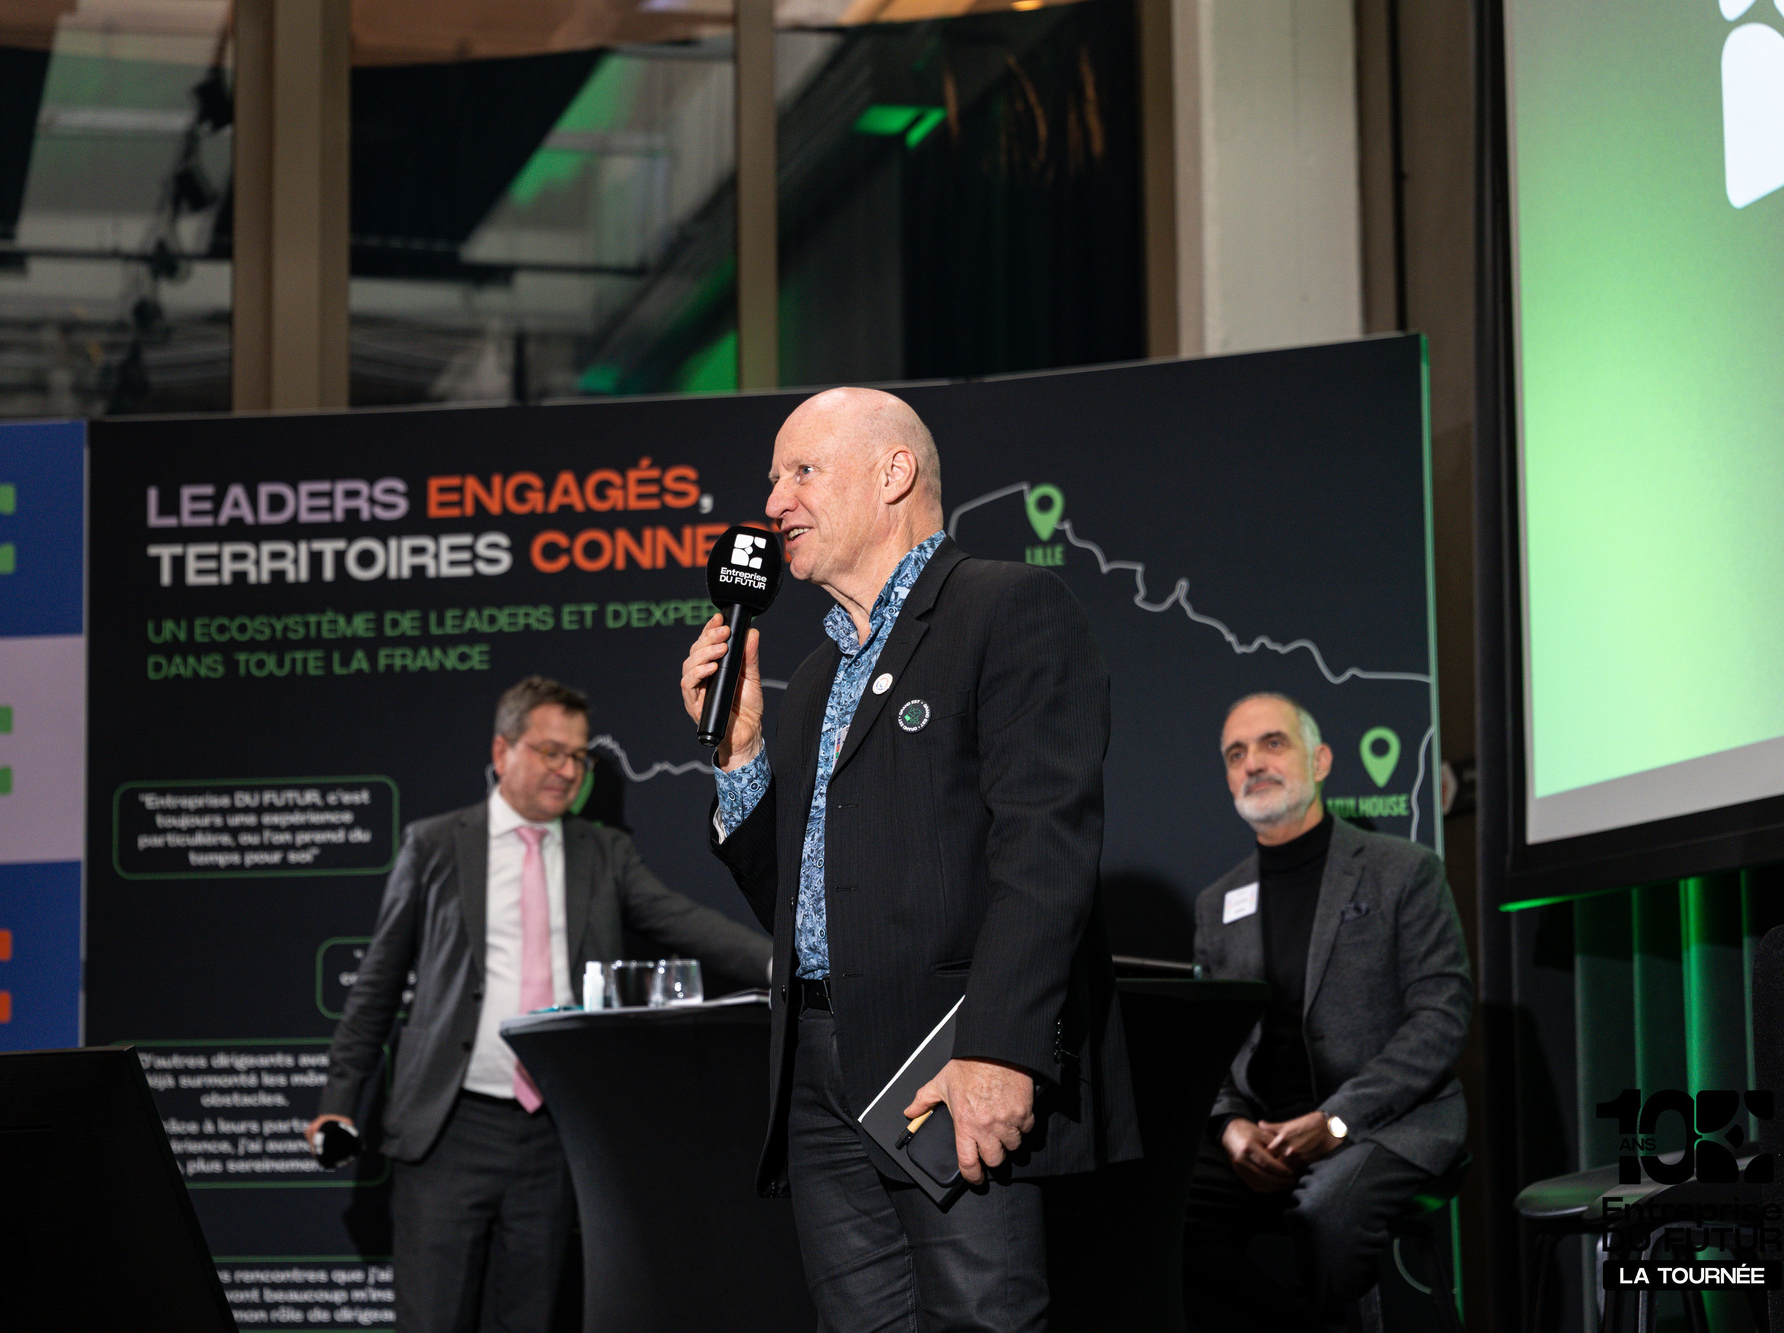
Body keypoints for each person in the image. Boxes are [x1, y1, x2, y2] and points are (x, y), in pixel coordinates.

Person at [678, 386, 1140, 1331]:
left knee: (981, 1318)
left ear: (894, 473)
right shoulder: (814, 679)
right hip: (818, 1062)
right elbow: (802, 901)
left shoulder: (1007, 607)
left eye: (802, 471)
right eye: (772, 477)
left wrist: (1000, 1049)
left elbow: (1045, 851)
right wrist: (741, 756)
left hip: (949, 1061)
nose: (773, 502)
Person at [308, 676, 771, 1333]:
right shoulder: (435, 845)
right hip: (448, 1131)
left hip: (553, 1132)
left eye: (578, 756)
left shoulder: (603, 853)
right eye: (551, 752)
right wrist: (336, 1102)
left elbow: (687, 924)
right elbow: (376, 987)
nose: (567, 770)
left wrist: (784, 965)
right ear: (502, 752)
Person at [1184, 692, 1471, 1333]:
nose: (1253, 763)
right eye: (1236, 754)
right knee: (1160, 1210)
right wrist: (1231, 1126)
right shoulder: (1217, 903)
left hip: (1388, 1123)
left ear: (1320, 760)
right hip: (1262, 1134)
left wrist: (1336, 1121)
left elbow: (1441, 1019)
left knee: (1325, 1216)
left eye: (1273, 743)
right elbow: (1210, 1043)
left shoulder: (1404, 871)